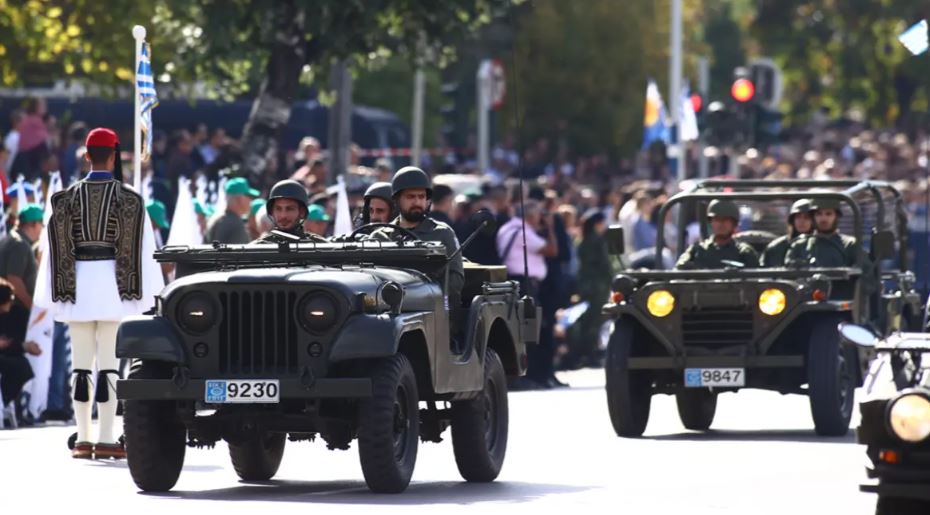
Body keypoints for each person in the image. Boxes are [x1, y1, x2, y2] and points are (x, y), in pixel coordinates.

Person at [36, 127, 163, 459]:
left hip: (76, 287)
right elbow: (144, 250)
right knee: (109, 366)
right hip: (114, 289)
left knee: (81, 365)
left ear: (87, 156)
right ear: (115, 154)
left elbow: (52, 254)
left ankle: (83, 438)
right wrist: (145, 293)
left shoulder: (63, 199)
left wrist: (54, 292)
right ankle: (106, 437)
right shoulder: (132, 199)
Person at [390, 166, 464, 306]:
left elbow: (456, 281)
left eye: (421, 197)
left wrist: (422, 289)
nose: (417, 202)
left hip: (431, 310)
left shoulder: (442, 233)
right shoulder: (381, 236)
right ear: (397, 199)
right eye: (410, 197)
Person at [0, 278, 40, 425]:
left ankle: (4, 401)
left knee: (22, 366)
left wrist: (23, 347)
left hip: (7, 356)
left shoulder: (13, 315)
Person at [676, 199, 758, 269]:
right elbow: (679, 270)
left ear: (734, 223)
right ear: (711, 222)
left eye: (726, 220)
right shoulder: (697, 250)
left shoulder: (744, 252)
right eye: (717, 219)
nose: (721, 224)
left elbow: (757, 281)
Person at [785, 197, 857, 267]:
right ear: (813, 217)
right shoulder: (799, 246)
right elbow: (787, 275)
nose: (823, 219)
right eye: (819, 214)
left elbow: (865, 274)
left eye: (828, 214)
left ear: (836, 216)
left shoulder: (850, 245)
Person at [0, 203, 43, 310]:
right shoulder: (20, 244)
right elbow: (14, 279)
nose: (42, 228)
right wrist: (32, 308)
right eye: (41, 224)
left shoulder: (10, 238)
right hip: (16, 310)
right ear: (33, 224)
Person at [253, 179, 321, 243]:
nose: (283, 215)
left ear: (302, 212)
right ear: (272, 212)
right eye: (278, 209)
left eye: (290, 209)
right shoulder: (257, 248)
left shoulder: (320, 247)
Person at [760, 199, 813, 267]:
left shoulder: (819, 246)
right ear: (792, 220)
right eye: (798, 217)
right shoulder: (775, 248)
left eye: (806, 217)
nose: (801, 221)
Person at [205, 177, 258, 244]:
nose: (251, 201)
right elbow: (239, 254)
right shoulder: (235, 224)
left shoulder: (217, 218)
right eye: (249, 196)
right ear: (240, 199)